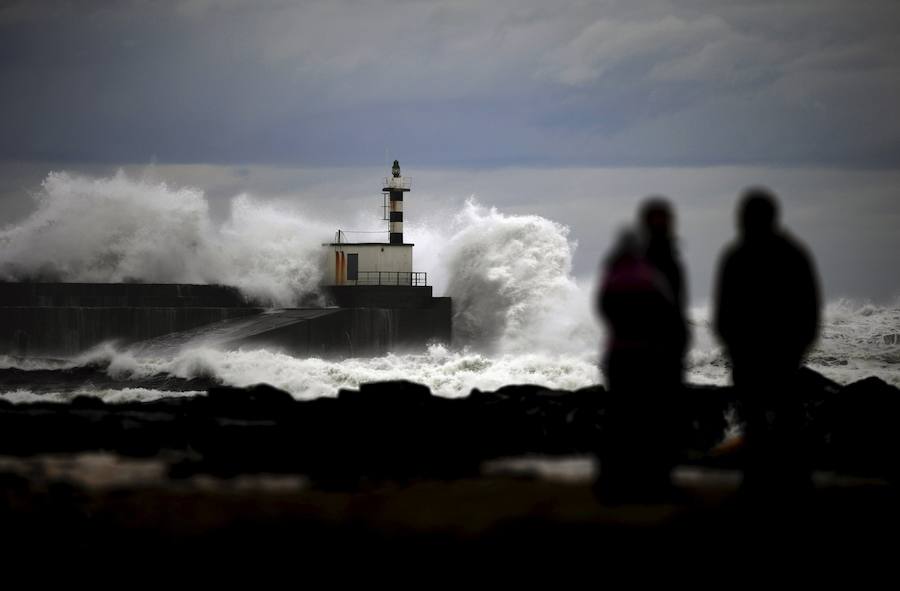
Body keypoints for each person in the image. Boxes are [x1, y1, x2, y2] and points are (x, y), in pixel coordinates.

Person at [713, 188, 821, 494]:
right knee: (780, 421)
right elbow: (810, 307)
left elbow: (724, 310)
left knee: (762, 421)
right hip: (778, 355)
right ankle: (791, 483)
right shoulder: (793, 253)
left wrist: (732, 346)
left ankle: (761, 483)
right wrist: (800, 346)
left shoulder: (738, 255)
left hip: (758, 355)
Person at [595, 198, 689, 500]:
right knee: (648, 418)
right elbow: (667, 308)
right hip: (647, 352)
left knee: (628, 418)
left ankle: (618, 481)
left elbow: (604, 306)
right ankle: (649, 481)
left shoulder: (625, 267)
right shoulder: (649, 268)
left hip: (626, 352)